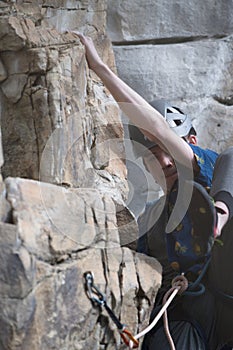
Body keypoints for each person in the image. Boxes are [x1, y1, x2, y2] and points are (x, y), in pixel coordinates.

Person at [72, 32, 233, 349]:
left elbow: (156, 127)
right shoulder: (155, 221)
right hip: (192, 324)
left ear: (191, 142)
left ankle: (220, 216)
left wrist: (101, 68)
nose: (162, 160)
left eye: (165, 148)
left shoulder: (211, 170)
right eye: (150, 155)